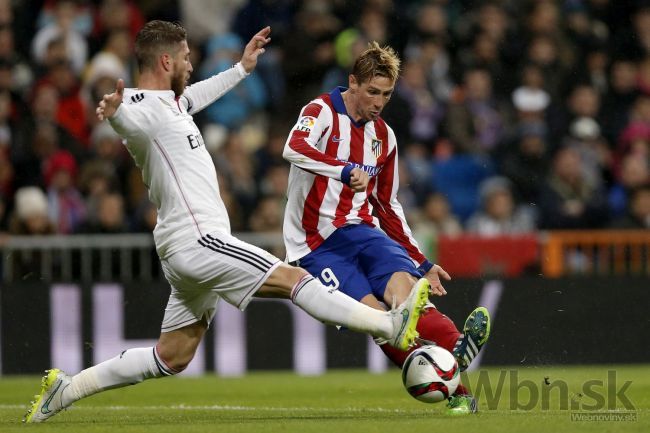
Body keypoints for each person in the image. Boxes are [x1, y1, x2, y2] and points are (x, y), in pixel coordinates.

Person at [23, 21, 432, 423]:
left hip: (183, 248)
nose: (190, 63)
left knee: (172, 356)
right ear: (165, 60)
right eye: (185, 57)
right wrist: (114, 116)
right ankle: (387, 324)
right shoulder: (137, 105)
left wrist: (241, 69)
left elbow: (195, 95)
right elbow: (129, 122)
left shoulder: (174, 104)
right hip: (199, 239)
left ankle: (68, 389)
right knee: (291, 279)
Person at [282, 42, 491, 415]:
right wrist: (344, 170)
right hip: (314, 245)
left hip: (362, 229)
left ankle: (456, 355)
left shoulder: (384, 137)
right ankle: (453, 385)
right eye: (372, 92)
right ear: (353, 83)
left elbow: (387, 205)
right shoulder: (321, 111)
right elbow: (293, 147)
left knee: (406, 295)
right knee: (377, 317)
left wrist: (421, 260)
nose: (378, 102)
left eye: (387, 94)